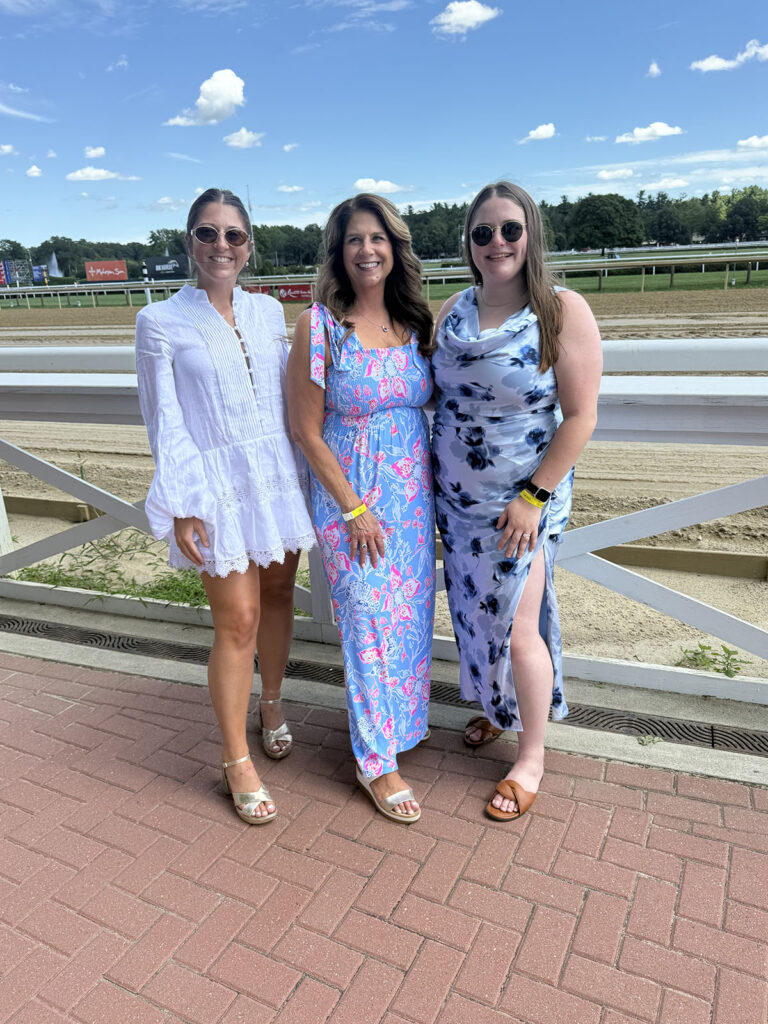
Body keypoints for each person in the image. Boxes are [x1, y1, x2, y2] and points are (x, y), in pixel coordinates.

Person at [135, 188, 315, 825]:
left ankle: (271, 701)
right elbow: (164, 418)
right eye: (208, 233)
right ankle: (235, 756)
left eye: (234, 235)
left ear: (249, 246)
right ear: (189, 241)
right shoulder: (159, 321)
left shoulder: (270, 313)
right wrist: (183, 503)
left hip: (278, 480)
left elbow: (297, 397)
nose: (221, 246)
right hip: (214, 488)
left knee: (277, 595)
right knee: (235, 620)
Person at [432, 181, 602, 822]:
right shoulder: (454, 310)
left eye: (509, 229)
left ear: (530, 235)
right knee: (477, 622)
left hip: (520, 507)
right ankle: (498, 712)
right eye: (482, 233)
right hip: (458, 504)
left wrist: (534, 496)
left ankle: (531, 756)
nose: (496, 242)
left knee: (520, 629)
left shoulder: (560, 310)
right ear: (469, 243)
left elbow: (581, 416)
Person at [287, 194, 434, 824]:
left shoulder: (415, 321)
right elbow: (305, 428)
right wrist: (352, 509)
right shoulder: (319, 325)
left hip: (413, 499)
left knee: (407, 616)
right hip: (352, 499)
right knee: (368, 617)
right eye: (354, 240)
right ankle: (376, 762)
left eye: (378, 238)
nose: (367, 250)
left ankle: (399, 729)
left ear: (395, 247)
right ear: (338, 252)